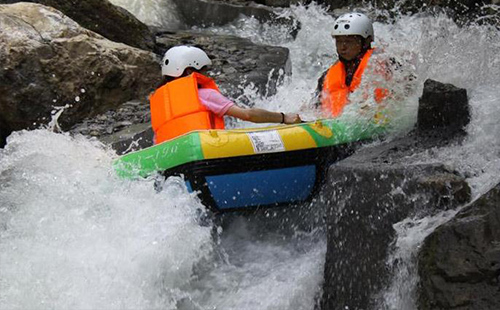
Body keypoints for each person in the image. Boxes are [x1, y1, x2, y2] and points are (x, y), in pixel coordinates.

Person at [150, 45, 302, 144]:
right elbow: (248, 115)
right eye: (204, 70)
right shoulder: (205, 95)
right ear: (190, 71)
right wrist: (283, 118)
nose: (207, 74)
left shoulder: (160, 103)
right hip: (204, 159)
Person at [316, 12, 390, 118]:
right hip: (338, 127)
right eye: (339, 41)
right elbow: (313, 111)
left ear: (366, 41)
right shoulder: (326, 77)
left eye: (348, 41)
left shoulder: (382, 63)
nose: (342, 47)